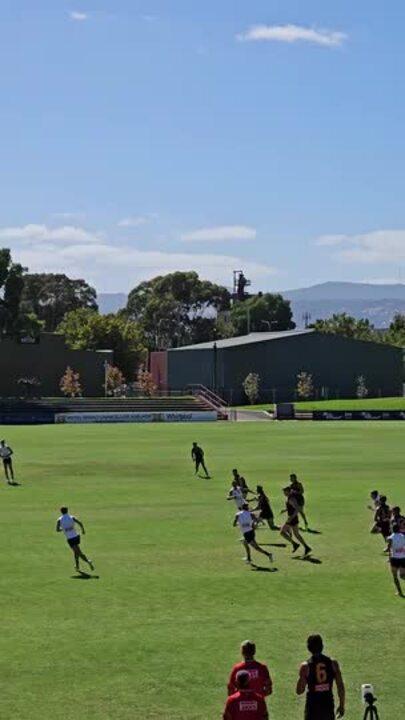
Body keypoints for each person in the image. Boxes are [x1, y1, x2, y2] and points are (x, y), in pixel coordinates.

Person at [296, 634, 345, 720]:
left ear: (309, 648)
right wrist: (341, 705)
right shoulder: (333, 663)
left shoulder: (305, 666)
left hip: (312, 708)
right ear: (322, 646)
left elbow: (299, 691)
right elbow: (340, 686)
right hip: (328, 706)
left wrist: (301, 676)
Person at [56, 507, 95, 573]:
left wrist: (63, 529)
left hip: (70, 539)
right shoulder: (72, 517)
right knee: (76, 552)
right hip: (76, 536)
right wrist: (83, 530)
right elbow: (80, 523)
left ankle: (88, 561)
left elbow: (57, 530)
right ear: (67, 511)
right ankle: (77, 566)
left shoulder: (59, 520)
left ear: (61, 512)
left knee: (78, 552)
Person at [280, 487, 311, 555]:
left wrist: (291, 517)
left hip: (292, 519)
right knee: (297, 534)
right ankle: (306, 547)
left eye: (285, 492)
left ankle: (295, 544)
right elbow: (292, 507)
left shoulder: (291, 498)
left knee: (282, 532)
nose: (284, 493)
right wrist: (285, 510)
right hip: (294, 518)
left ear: (288, 491)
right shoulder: (290, 498)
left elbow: (297, 508)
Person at [387, 523, 405, 597]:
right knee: (402, 575)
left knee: (395, 576)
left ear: (392, 529)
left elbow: (389, 549)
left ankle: (399, 592)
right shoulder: (403, 536)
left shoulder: (390, 538)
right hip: (403, 558)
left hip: (394, 559)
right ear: (399, 529)